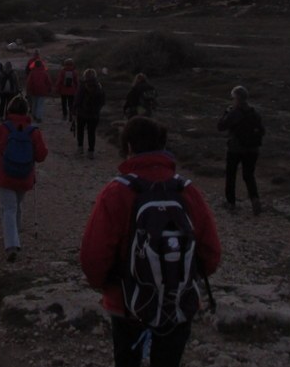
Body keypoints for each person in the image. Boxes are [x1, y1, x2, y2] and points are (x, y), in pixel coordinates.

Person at [80, 117, 221, 367]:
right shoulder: (186, 190)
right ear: (162, 144)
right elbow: (211, 253)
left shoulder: (116, 192)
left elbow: (93, 256)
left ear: (130, 147)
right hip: (178, 302)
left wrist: (106, 284)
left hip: (127, 302)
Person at [0, 95, 48, 262]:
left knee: (8, 208)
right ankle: (15, 233)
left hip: (5, 174)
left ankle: (11, 244)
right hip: (24, 175)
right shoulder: (33, 131)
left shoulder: (3, 129)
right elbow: (41, 155)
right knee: (17, 205)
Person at [217, 85, 265, 215]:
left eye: (233, 98)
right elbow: (262, 131)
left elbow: (220, 126)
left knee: (231, 175)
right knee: (249, 175)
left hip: (235, 149)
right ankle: (255, 199)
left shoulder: (233, 113)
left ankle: (231, 203)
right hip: (253, 150)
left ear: (237, 99)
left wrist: (226, 113)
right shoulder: (255, 113)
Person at [73, 68, 105, 159]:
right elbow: (102, 101)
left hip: (82, 113)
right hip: (94, 114)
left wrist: (74, 109)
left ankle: (80, 148)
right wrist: (97, 109)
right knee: (91, 133)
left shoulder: (83, 85)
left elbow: (78, 99)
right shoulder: (99, 86)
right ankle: (91, 151)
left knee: (80, 131)